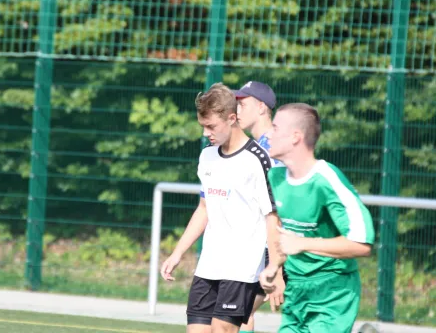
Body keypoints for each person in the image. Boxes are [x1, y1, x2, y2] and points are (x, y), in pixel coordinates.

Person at [160, 83, 283, 333]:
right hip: (210, 263)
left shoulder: (258, 159)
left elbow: (272, 217)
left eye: (211, 126)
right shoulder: (207, 156)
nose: (206, 133)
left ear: (232, 118)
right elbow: (204, 208)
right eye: (203, 126)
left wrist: (276, 267)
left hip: (243, 267)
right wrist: (177, 253)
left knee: (222, 329)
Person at [259, 103, 375, 333]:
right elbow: (283, 231)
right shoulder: (276, 177)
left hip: (332, 290)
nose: (268, 134)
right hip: (297, 291)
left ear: (295, 137)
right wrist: (274, 266)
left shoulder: (327, 180)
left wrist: (303, 244)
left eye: (274, 127)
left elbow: (362, 244)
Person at [233, 81, 285, 333]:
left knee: (233, 314)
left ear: (262, 107)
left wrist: (277, 263)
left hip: (275, 250)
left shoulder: (273, 147)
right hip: (262, 248)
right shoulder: (257, 146)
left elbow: (280, 207)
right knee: (238, 315)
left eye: (243, 104)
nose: (237, 110)